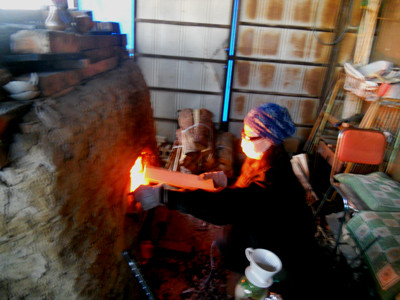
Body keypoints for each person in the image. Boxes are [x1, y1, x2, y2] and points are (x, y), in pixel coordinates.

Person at [133, 103, 317, 278]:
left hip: (280, 247)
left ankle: (254, 276)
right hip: (265, 223)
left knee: (229, 241)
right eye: (243, 131)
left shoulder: (273, 180)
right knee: (227, 237)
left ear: (269, 140)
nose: (243, 139)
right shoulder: (263, 158)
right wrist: (227, 181)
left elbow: (224, 208)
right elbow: (246, 193)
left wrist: (164, 196)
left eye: (249, 136)